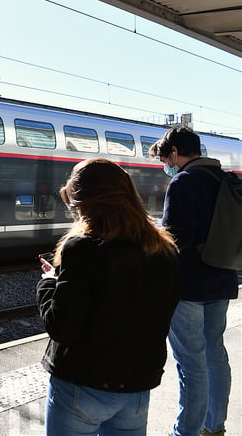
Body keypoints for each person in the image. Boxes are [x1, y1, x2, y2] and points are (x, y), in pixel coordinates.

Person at [37, 158, 180, 435]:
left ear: (86, 203)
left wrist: (48, 284)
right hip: (136, 388)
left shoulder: (82, 249)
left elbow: (61, 327)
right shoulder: (164, 250)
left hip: (82, 385)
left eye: (75, 207)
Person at [149, 126, 239, 436]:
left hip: (188, 285)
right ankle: (214, 426)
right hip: (222, 278)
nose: (166, 165)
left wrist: (155, 229)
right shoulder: (224, 178)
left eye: (164, 158)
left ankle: (186, 431)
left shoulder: (184, 181)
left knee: (191, 362)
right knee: (215, 353)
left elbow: (177, 239)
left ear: (173, 153)